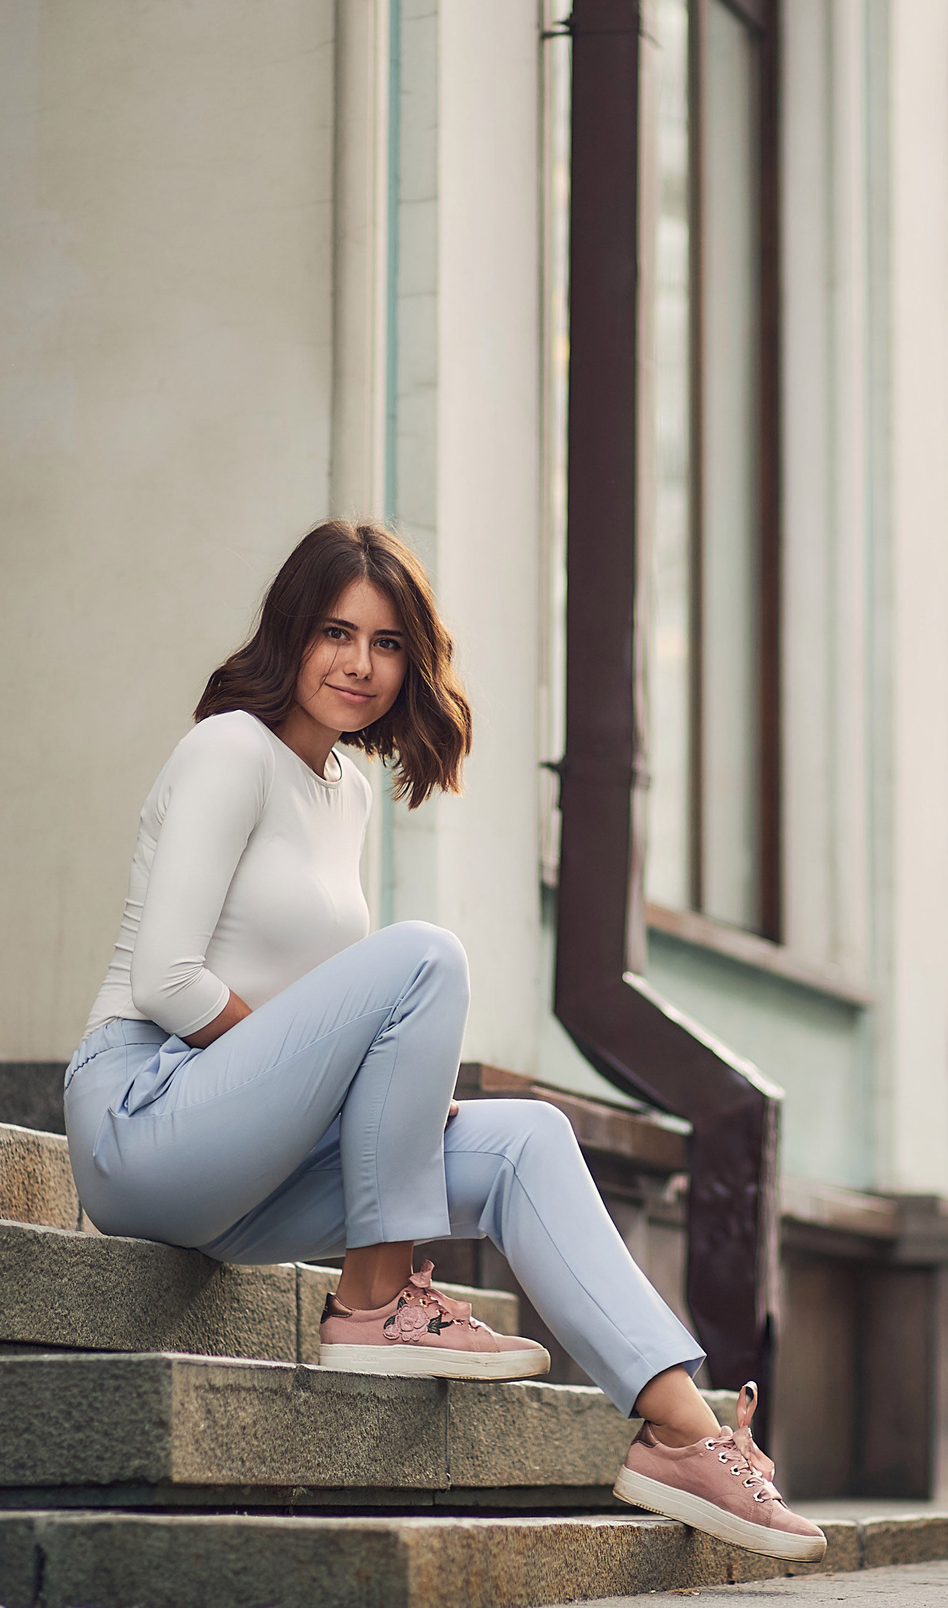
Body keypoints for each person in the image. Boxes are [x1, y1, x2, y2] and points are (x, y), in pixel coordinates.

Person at [62, 520, 823, 1562]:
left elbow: (322, 1018)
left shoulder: (347, 792)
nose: (359, 665)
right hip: (142, 1118)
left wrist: (388, 1096)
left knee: (528, 1139)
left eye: (385, 644)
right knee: (427, 956)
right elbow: (168, 981)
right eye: (336, 633)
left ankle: (682, 1435)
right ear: (292, 634)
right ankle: (374, 1303)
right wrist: (350, 1087)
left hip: (244, 1155)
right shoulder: (227, 749)